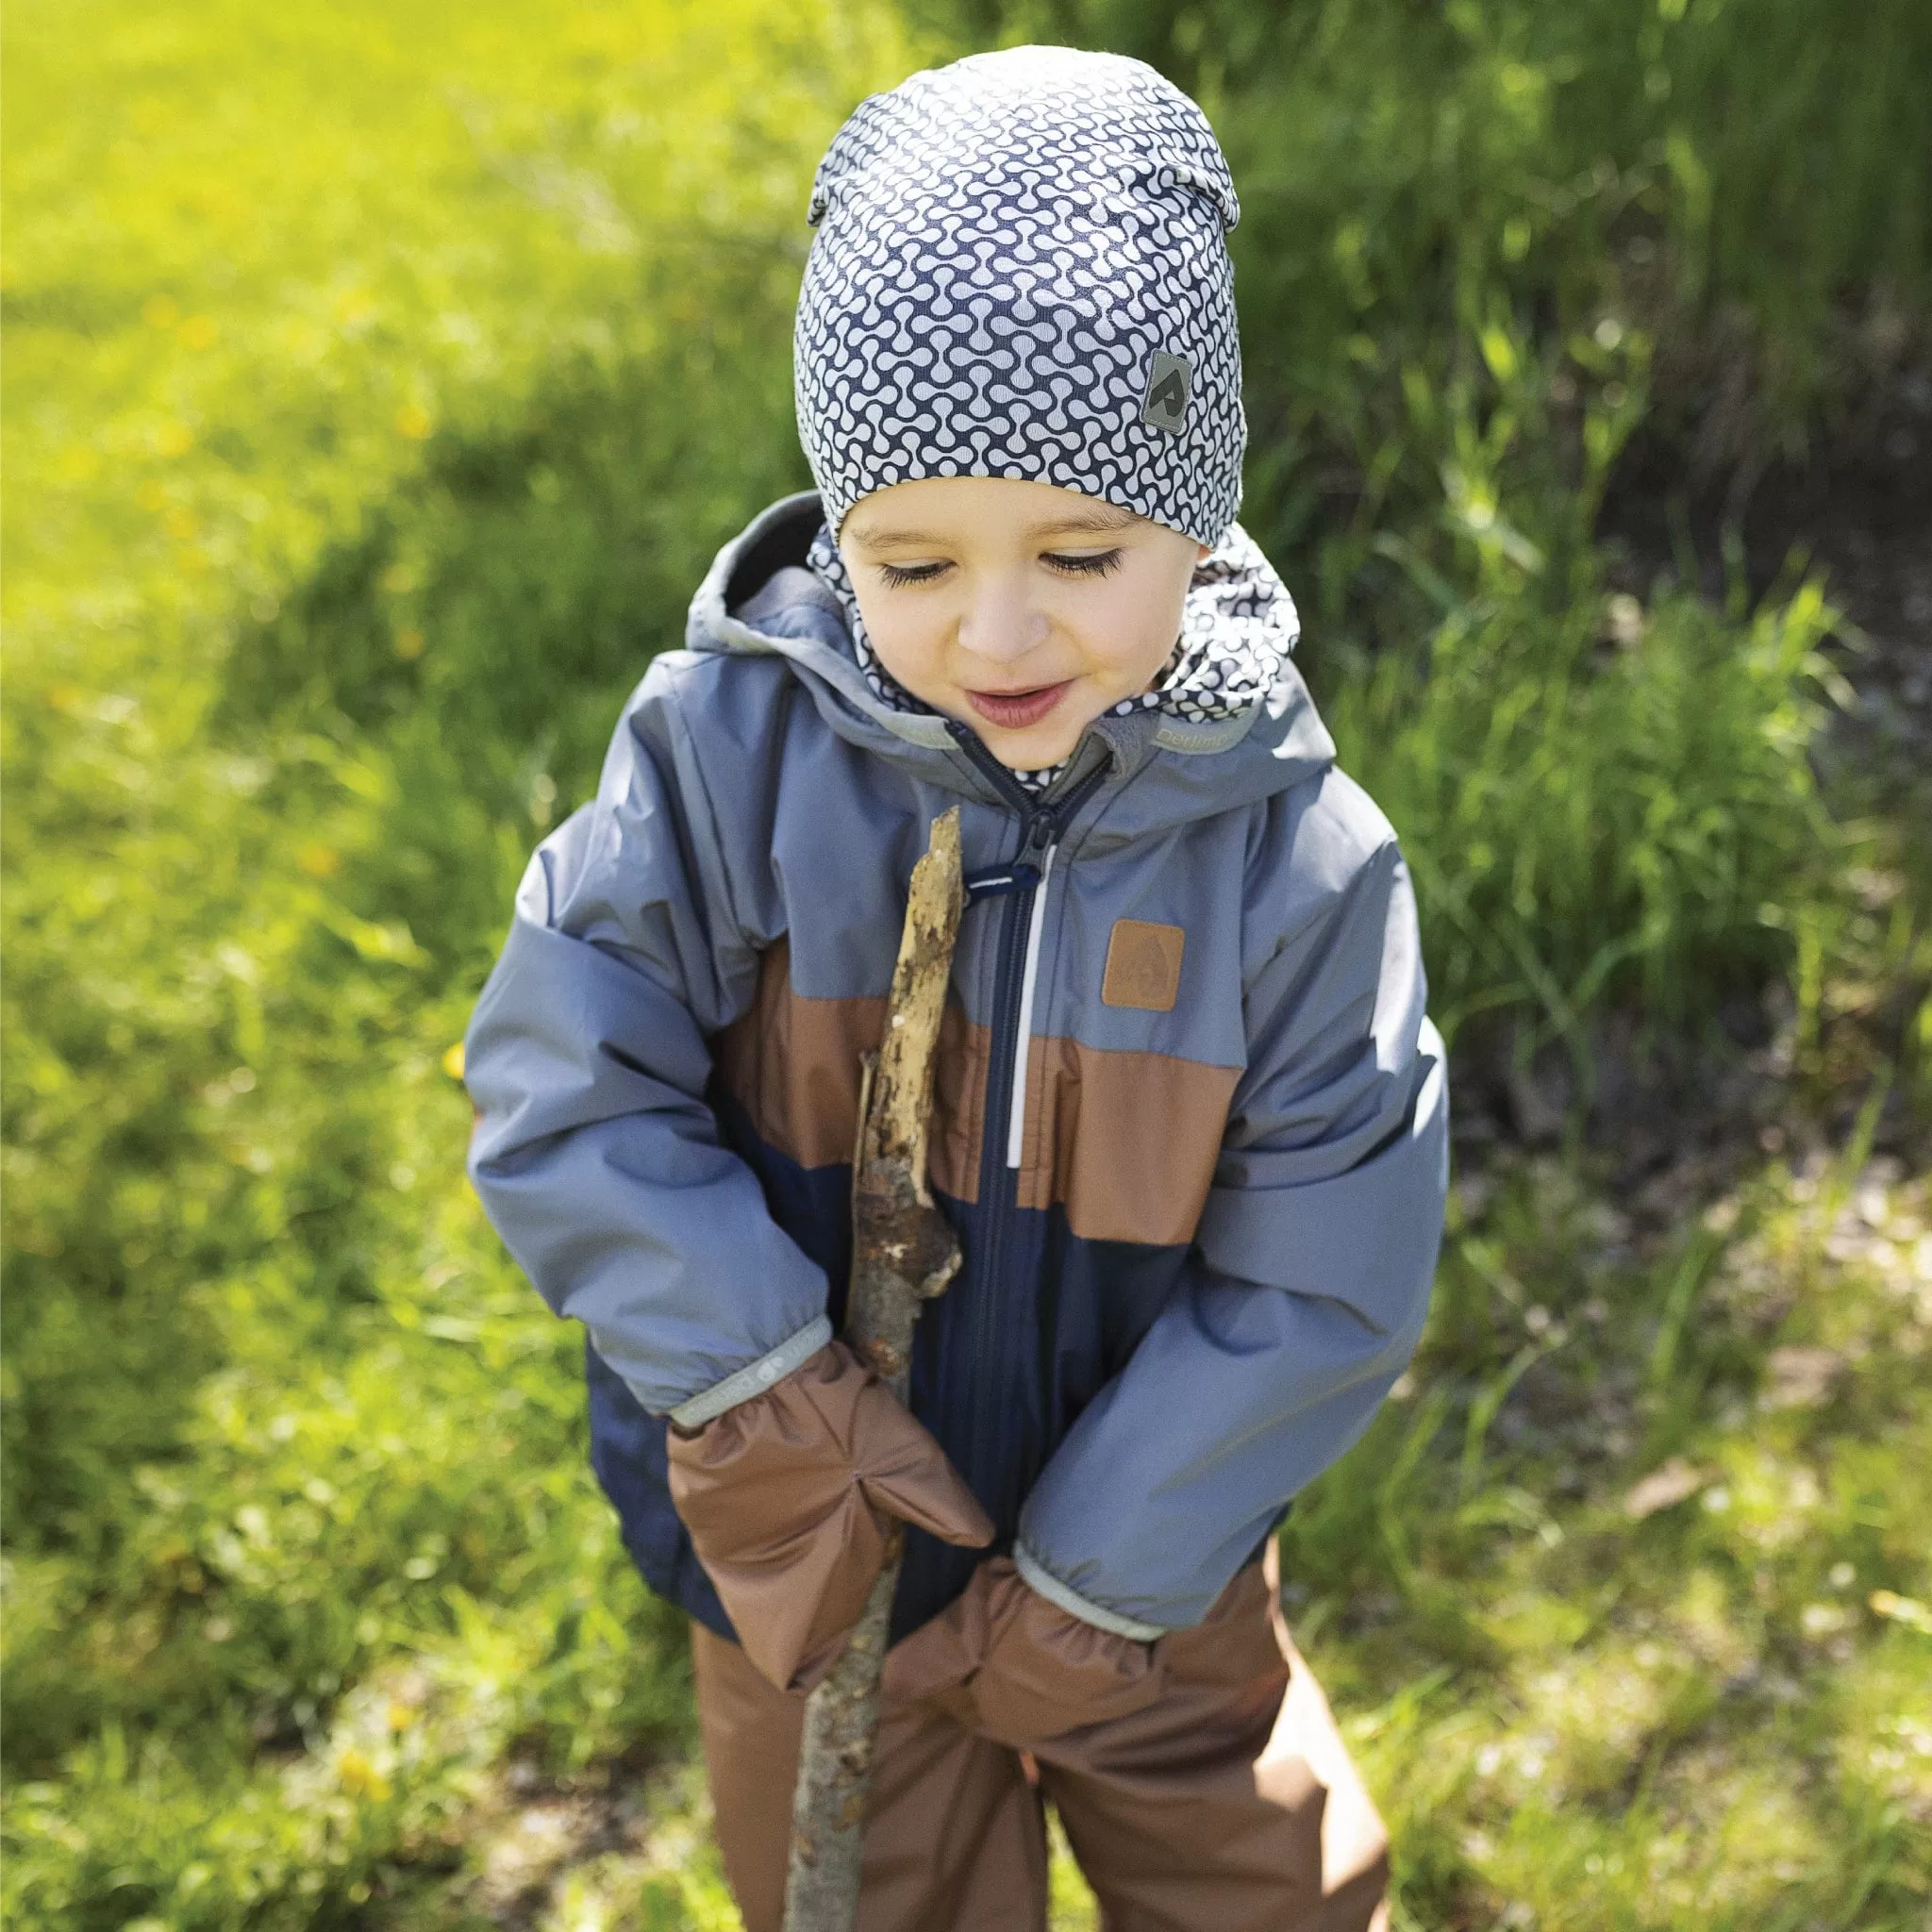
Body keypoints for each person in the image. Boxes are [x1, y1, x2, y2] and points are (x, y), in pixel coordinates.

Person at [464, 43, 1448, 1932]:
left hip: (1153, 1583)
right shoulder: (722, 759)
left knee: (1261, 1895)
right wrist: (760, 1400)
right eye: (911, 560)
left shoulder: (1290, 860)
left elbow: (1328, 1262)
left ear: (1194, 518)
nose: (996, 634)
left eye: (1081, 552)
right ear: (839, 532)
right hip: (797, 1559)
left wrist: (1102, 1577)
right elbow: (563, 1077)